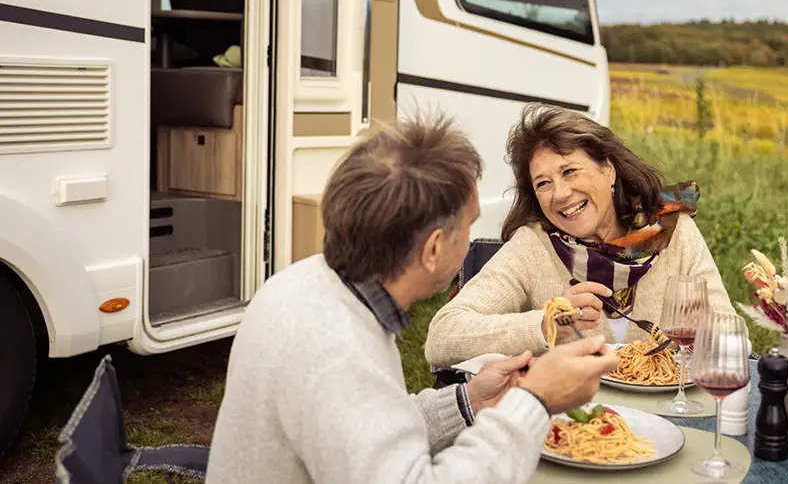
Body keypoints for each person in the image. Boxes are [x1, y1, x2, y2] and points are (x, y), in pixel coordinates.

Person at [205, 111, 619, 484]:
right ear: (434, 249)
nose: (471, 240)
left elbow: (367, 427)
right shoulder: (336, 349)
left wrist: (468, 400)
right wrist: (534, 401)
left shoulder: (308, 284)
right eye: (469, 225)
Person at [424, 103, 735, 369]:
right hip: (575, 422)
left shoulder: (672, 230)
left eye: (569, 171)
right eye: (543, 184)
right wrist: (546, 325)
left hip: (671, 415)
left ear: (609, 170)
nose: (560, 194)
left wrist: (703, 336)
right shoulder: (534, 246)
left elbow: (733, 339)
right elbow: (443, 336)